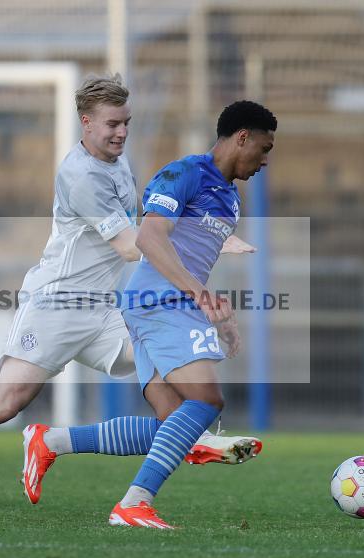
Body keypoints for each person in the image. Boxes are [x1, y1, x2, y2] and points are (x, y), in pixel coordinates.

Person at [0, 75, 261, 516]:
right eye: (112, 124)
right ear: (86, 123)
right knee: (4, 403)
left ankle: (67, 444)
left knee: (178, 403)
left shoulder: (117, 161)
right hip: (56, 305)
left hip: (106, 311)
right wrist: (207, 239)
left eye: (126, 123)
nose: (121, 132)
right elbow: (131, 246)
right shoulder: (81, 176)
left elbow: (147, 229)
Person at [105, 100, 277, 529]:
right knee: (207, 400)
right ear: (242, 137)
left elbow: (195, 260)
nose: (265, 160)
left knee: (173, 423)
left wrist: (222, 317)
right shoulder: (184, 173)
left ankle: (50, 441)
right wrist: (197, 295)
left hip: (169, 304)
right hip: (160, 302)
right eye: (264, 148)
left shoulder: (230, 200)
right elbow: (149, 236)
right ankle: (133, 504)